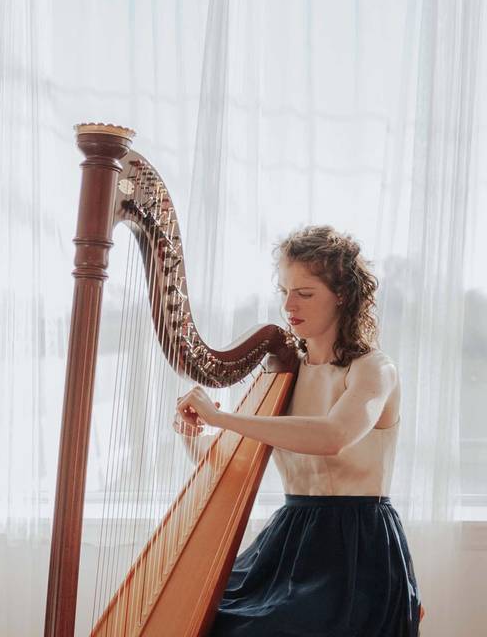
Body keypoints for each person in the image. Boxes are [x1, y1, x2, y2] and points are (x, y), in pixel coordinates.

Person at [174, 225, 424, 636]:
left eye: (305, 293)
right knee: (204, 615)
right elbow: (234, 465)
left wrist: (222, 418)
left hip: (357, 547)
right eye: (284, 290)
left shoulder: (374, 370)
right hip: (290, 538)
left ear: (342, 295)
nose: (289, 304)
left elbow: (333, 436)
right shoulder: (285, 376)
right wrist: (192, 434)